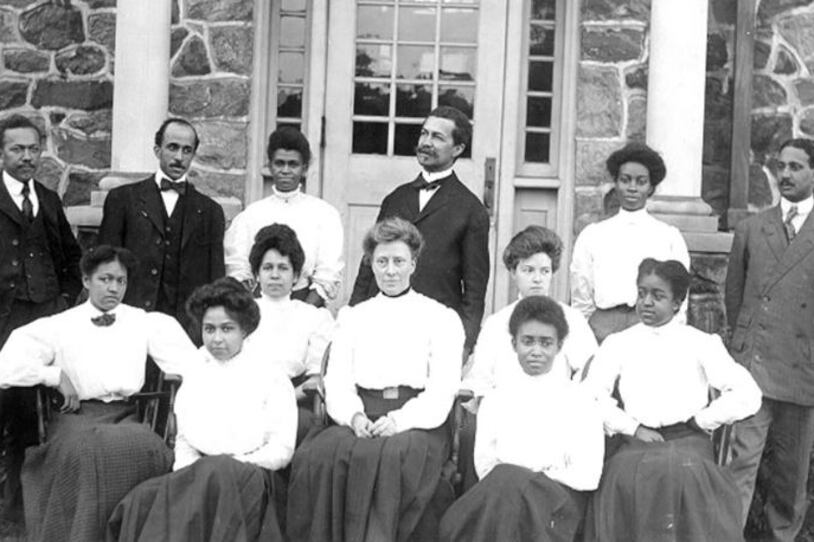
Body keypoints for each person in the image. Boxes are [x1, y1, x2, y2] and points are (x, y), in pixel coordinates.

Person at [0, 245, 198, 542]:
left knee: (150, 448)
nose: (114, 288)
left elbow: (191, 366)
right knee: (85, 451)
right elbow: (6, 368)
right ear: (86, 281)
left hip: (127, 415)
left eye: (121, 281)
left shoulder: (144, 322)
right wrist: (53, 376)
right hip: (74, 416)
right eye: (105, 279)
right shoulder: (60, 325)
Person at [287, 217, 464, 542]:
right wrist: (354, 416)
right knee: (322, 455)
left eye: (399, 261)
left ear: (413, 264)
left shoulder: (440, 318)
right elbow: (338, 380)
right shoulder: (353, 317)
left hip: (417, 423)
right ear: (371, 263)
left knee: (392, 456)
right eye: (382, 262)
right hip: (361, 415)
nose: (390, 271)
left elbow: (442, 390)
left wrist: (399, 421)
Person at [584, 258, 761, 541]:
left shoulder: (700, 343)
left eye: (658, 296)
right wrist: (632, 427)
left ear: (678, 302)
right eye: (642, 293)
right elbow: (591, 394)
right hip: (636, 442)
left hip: (688, 441)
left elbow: (748, 393)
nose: (647, 302)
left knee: (681, 476)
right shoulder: (619, 343)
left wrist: (702, 420)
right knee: (622, 476)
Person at [107, 277, 297, 542]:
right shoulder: (196, 367)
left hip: (251, 475)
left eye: (227, 329)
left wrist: (227, 466)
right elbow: (184, 438)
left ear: (245, 329)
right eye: (209, 329)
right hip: (200, 472)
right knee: (140, 503)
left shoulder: (270, 372)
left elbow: (282, 449)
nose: (217, 339)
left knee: (216, 483)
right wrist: (192, 473)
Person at [440, 295, 604, 542]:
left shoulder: (580, 400)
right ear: (514, 344)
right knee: (502, 495)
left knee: (507, 490)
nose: (536, 351)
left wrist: (527, 478)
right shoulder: (496, 398)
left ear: (559, 346)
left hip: (556, 502)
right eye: (528, 341)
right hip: (503, 496)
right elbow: (485, 466)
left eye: (546, 343)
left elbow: (587, 475)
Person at [458, 225, 596, 490]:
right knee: (472, 434)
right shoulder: (497, 323)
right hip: (506, 412)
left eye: (544, 271)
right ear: (513, 272)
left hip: (555, 411)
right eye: (528, 270)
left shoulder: (572, 320)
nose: (537, 279)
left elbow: (589, 373)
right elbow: (480, 380)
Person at [725, 137, 814, 541]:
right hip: (754, 369)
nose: (785, 175)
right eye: (781, 166)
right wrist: (743, 351)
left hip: (803, 368)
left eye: (796, 167)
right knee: (740, 463)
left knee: (791, 475)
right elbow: (735, 296)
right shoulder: (751, 229)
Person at [349, 105, 489, 355]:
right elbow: (367, 267)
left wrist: (465, 343)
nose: (426, 142)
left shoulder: (471, 210)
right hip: (381, 323)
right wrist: (350, 319)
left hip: (432, 330)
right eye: (424, 133)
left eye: (437, 137)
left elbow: (475, 289)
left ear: (458, 149)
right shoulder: (395, 198)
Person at [0, 114, 82, 519]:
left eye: (33, 149)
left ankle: (25, 512)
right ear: (2, 153)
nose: (27, 157)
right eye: (17, 149)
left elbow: (70, 258)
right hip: (3, 322)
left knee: (35, 418)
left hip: (44, 323)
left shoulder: (48, 200)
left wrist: (62, 301)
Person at [98, 117, 225, 336]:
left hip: (186, 326)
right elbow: (105, 265)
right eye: (172, 147)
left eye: (187, 150)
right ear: (157, 150)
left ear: (193, 155)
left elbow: (215, 279)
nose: (179, 157)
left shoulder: (210, 211)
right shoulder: (123, 200)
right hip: (132, 320)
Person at [570, 142, 690, 343]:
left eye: (641, 182)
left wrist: (671, 336)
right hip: (603, 328)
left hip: (651, 327)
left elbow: (680, 296)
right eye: (625, 180)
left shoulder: (669, 237)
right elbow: (581, 295)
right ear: (616, 184)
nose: (632, 188)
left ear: (651, 187)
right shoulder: (593, 235)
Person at [224, 127, 343, 307]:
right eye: (279, 163)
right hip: (258, 306)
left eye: (293, 164)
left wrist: (302, 313)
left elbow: (328, 273)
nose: (285, 170)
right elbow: (238, 268)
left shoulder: (325, 215)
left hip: (306, 303)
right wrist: (255, 311)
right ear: (270, 165)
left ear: (304, 168)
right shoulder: (251, 215)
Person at [242, 223, 334, 443]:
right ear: (257, 274)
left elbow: (315, 379)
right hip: (244, 401)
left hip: (294, 402)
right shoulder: (239, 314)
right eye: (267, 268)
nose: (275, 275)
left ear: (295, 276)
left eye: (283, 268)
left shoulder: (313, 317)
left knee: (303, 426)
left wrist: (280, 402)